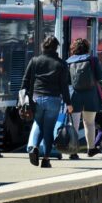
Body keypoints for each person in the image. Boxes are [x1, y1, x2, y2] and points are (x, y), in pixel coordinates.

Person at [21, 35, 71, 168]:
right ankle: (46, 159)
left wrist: (22, 98)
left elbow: (25, 80)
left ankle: (34, 148)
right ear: (56, 48)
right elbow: (64, 86)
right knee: (48, 130)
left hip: (36, 98)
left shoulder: (35, 60)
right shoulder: (61, 64)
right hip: (53, 99)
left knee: (38, 123)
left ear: (43, 46)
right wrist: (69, 103)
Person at [66, 38, 102, 158]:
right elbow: (100, 77)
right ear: (87, 48)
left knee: (74, 125)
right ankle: (91, 149)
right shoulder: (92, 60)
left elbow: (67, 81)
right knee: (89, 123)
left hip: (74, 95)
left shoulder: (68, 61)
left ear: (74, 48)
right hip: (90, 96)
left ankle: (73, 151)